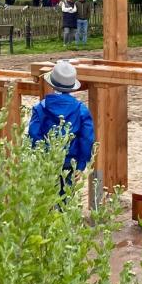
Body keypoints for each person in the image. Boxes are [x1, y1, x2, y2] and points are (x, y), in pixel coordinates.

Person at [28, 60, 95, 193]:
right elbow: (87, 139)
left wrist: (40, 158)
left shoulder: (40, 108)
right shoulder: (81, 109)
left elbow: (34, 135)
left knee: (45, 199)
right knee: (65, 201)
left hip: (46, 162)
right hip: (70, 164)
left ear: (52, 84)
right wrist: (81, 166)